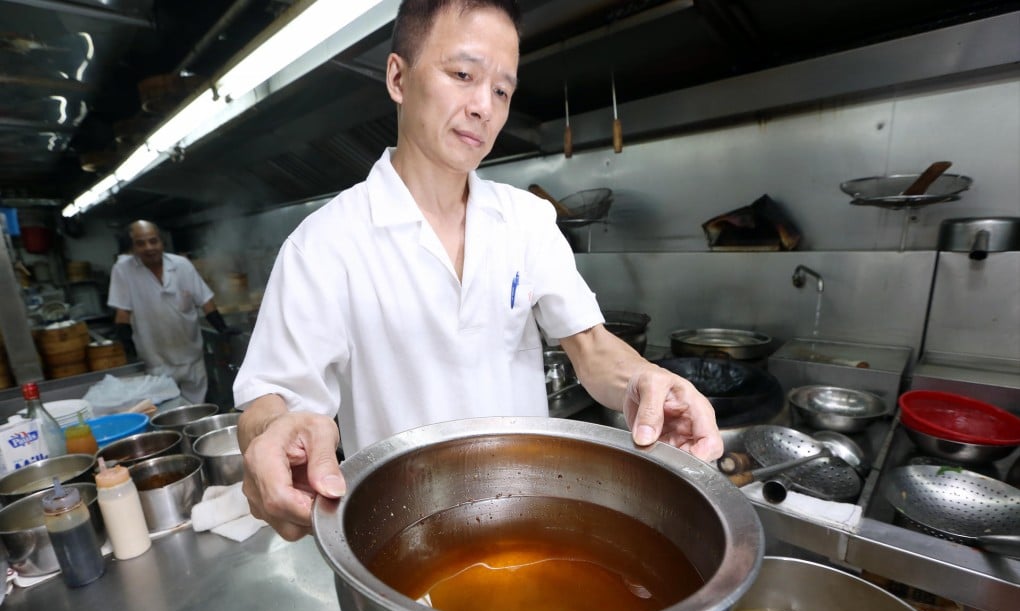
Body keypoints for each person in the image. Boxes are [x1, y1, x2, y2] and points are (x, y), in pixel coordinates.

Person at [233, 0, 722, 541]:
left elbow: (592, 347)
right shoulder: (324, 244)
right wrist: (271, 433)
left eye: (501, 91)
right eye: (463, 75)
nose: (483, 107)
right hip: (405, 539)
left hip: (530, 519)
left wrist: (646, 382)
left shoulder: (526, 219)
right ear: (398, 77)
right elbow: (270, 398)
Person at [108, 220, 236, 403]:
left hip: (191, 356)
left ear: (162, 242)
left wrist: (222, 329)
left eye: (153, 241)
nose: (149, 247)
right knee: (166, 412)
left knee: (196, 408)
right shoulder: (124, 270)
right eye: (141, 243)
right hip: (155, 361)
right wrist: (127, 351)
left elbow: (205, 300)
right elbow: (123, 313)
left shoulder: (181, 265)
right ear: (133, 246)